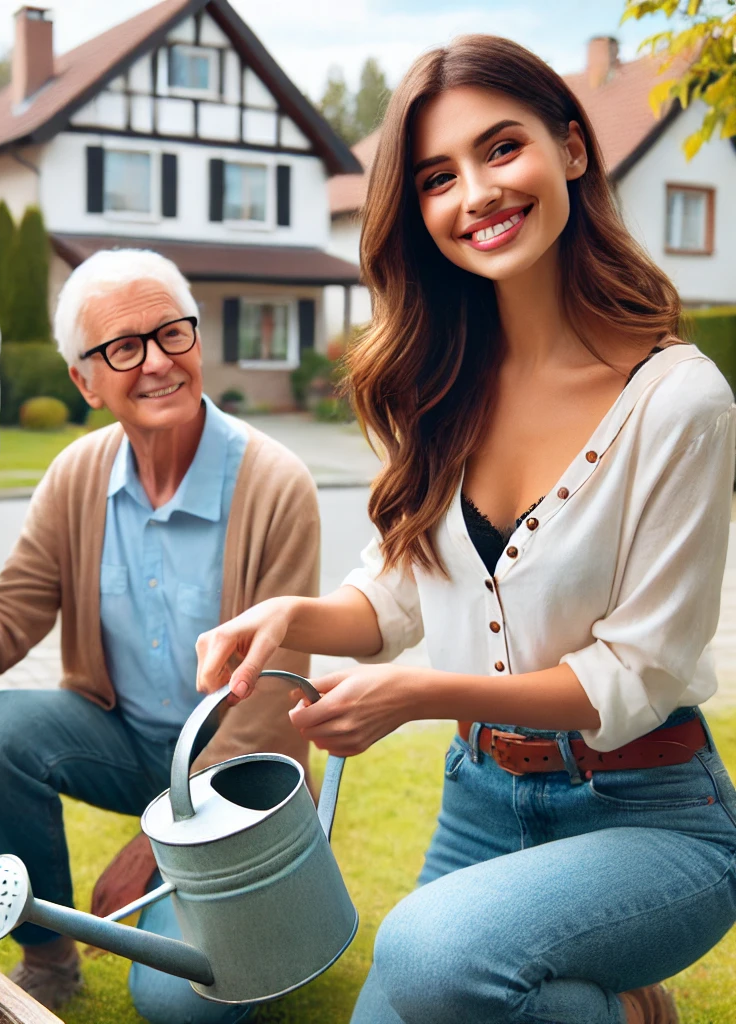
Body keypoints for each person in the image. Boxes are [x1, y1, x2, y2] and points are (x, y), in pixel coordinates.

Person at [194, 35, 736, 1024]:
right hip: (480, 799)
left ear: (571, 149)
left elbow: (637, 672)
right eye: (438, 176)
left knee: (427, 952)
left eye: (500, 149)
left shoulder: (679, 402)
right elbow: (397, 593)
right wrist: (288, 616)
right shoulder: (440, 384)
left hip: (651, 813)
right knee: (469, 992)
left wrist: (419, 694)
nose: (474, 193)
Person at [0, 249, 320, 1021]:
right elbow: (5, 622)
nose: (158, 361)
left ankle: (278, 897)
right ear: (85, 382)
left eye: (174, 334)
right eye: (124, 347)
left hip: (235, 782)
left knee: (178, 1003)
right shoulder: (76, 476)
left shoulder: (274, 484)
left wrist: (164, 846)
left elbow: (264, 717)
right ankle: (48, 958)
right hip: (124, 742)